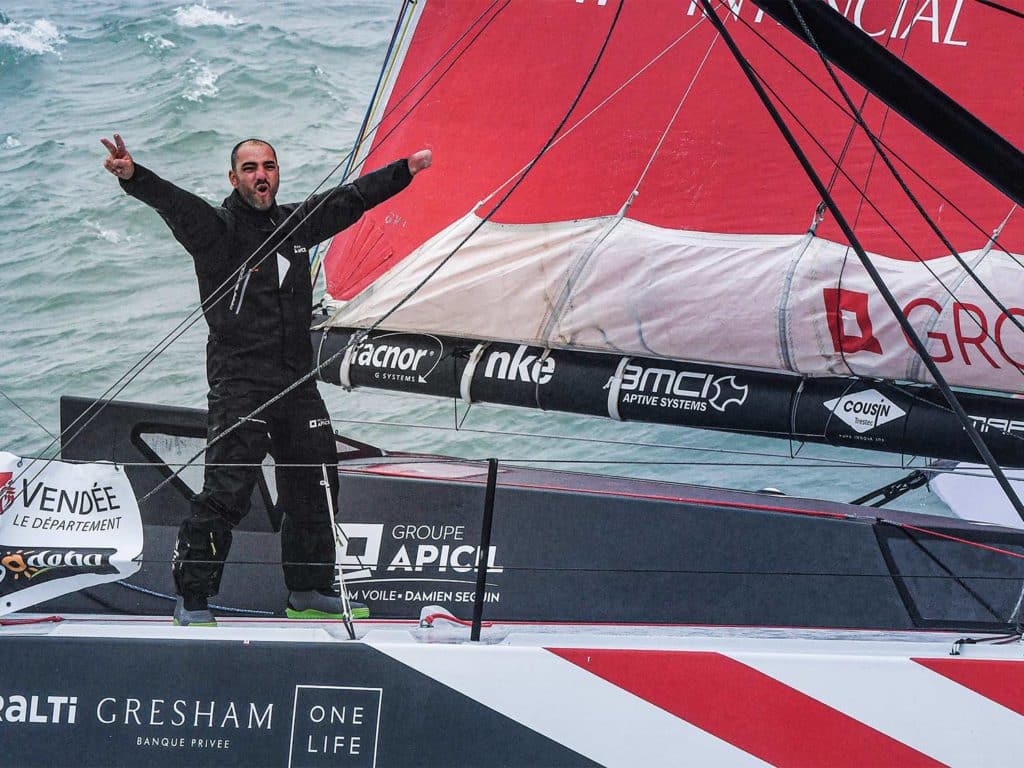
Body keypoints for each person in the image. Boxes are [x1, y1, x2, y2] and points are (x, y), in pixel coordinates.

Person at [102, 133, 431, 626]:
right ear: (234, 179)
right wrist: (133, 175)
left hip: (296, 383)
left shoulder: (295, 225)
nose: (262, 175)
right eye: (251, 167)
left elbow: (350, 201)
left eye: (270, 166)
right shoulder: (216, 229)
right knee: (228, 491)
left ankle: (306, 591)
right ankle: (191, 599)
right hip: (242, 384)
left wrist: (403, 170)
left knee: (315, 485)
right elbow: (172, 203)